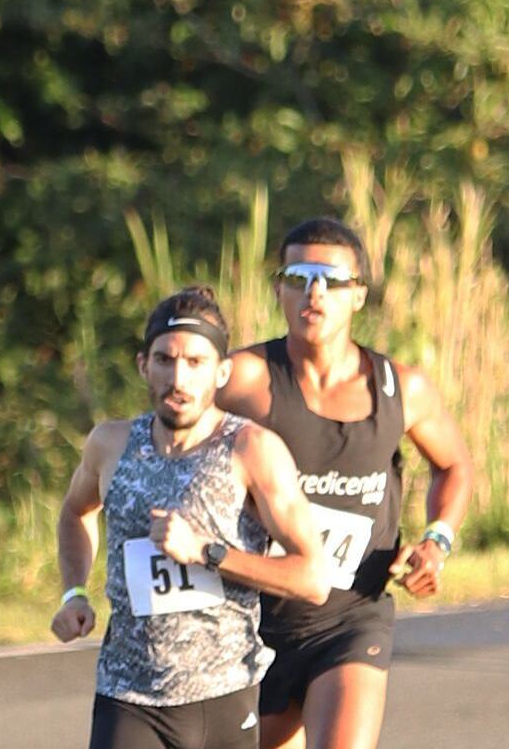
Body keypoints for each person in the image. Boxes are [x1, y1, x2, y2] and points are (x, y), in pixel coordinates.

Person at [216, 217, 473, 749]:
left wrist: (436, 539)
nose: (315, 292)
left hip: (350, 618)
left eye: (332, 280)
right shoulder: (240, 378)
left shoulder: (403, 388)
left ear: (357, 295)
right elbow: (166, 447)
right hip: (248, 619)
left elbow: (455, 466)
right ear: (279, 289)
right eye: (299, 276)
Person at [52, 286, 329, 749]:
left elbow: (313, 578)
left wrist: (207, 552)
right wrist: (74, 592)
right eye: (165, 359)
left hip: (221, 695)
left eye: (196, 363)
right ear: (144, 365)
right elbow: (75, 512)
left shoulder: (251, 450)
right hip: (127, 692)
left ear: (222, 372)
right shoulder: (111, 444)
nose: (178, 378)